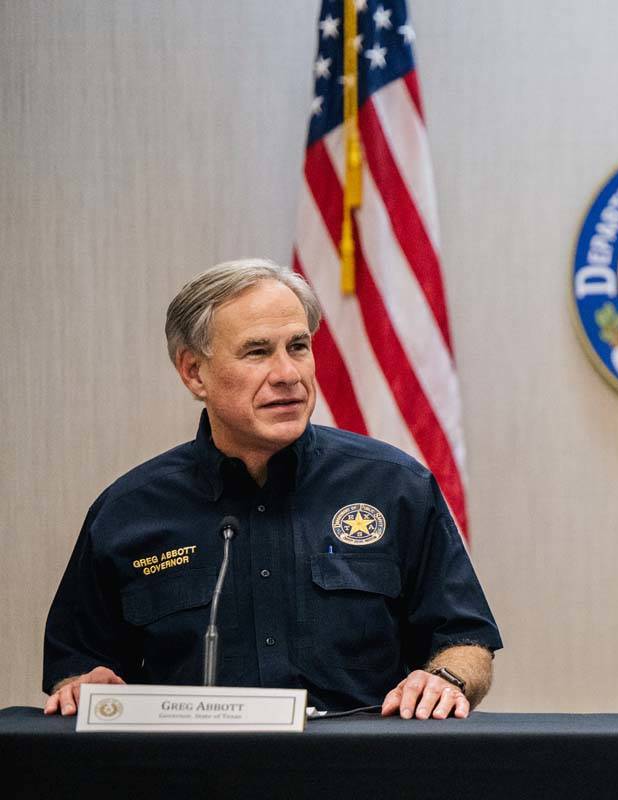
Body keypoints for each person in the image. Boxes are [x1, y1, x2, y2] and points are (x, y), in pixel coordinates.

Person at [43, 259, 501, 719]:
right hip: (191, 777)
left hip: (362, 774)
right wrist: (82, 686)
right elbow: (77, 665)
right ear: (194, 372)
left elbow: (466, 641)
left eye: (298, 346)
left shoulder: (396, 485)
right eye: (257, 352)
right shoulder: (128, 511)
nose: (287, 373)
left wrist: (445, 679)